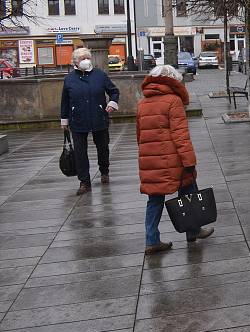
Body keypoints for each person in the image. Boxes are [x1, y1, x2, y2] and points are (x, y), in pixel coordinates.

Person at [136, 64, 213, 255]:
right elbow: (180, 135)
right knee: (188, 190)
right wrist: (189, 161)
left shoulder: (142, 103)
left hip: (150, 161)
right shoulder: (173, 101)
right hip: (173, 160)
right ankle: (193, 230)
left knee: (154, 199)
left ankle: (152, 240)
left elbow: (139, 136)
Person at [60, 47, 119, 196]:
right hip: (78, 119)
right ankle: (84, 181)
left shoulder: (100, 75)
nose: (86, 60)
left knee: (103, 147)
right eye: (82, 58)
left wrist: (112, 103)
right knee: (80, 152)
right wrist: (64, 120)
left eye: (88, 57)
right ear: (75, 62)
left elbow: (113, 91)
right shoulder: (69, 78)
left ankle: (104, 170)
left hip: (99, 117)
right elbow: (65, 101)